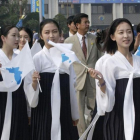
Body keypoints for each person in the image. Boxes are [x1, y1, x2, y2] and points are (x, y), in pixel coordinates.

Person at [24, 19, 79, 140]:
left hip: (63, 108)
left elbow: (72, 86)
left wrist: (74, 113)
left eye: (54, 31)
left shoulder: (66, 56)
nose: (51, 35)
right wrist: (34, 82)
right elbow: (29, 89)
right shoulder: (37, 58)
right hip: (43, 110)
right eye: (47, 32)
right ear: (41, 35)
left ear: (60, 34)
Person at [88, 18, 140, 140]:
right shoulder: (109, 62)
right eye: (121, 32)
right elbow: (107, 96)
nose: (126, 36)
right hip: (118, 115)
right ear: (112, 36)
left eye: (128, 31)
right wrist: (101, 81)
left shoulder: (138, 60)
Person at [65, 13, 100, 136]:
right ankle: (82, 136)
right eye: (85, 22)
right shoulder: (68, 42)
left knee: (95, 109)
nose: (88, 24)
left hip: (92, 80)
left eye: (88, 22)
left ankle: (94, 133)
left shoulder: (94, 39)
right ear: (77, 25)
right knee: (79, 112)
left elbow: (100, 59)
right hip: (77, 80)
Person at [0, 25, 29, 140]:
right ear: (3, 38)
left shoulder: (21, 58)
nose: (17, 39)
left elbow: (26, 85)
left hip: (19, 101)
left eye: (19, 36)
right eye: (14, 36)